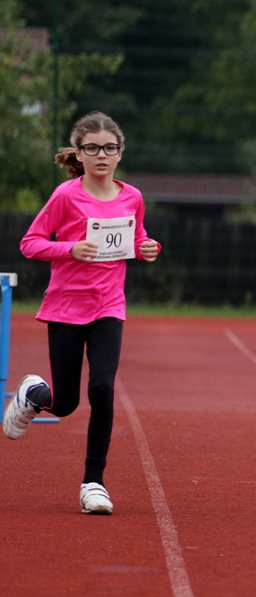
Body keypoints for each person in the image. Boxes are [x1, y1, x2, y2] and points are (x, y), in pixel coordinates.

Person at [3, 111, 160, 515]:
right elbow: (30, 243)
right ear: (80, 153)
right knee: (65, 403)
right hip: (66, 307)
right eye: (92, 148)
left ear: (120, 153)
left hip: (108, 307)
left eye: (109, 148)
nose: (101, 155)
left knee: (102, 388)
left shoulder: (132, 197)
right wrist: (69, 249)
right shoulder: (65, 196)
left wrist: (147, 247)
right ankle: (33, 393)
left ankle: (94, 482)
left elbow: (135, 237)